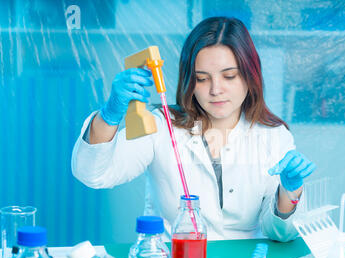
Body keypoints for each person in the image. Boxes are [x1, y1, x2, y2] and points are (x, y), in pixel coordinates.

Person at [71, 17, 316, 242]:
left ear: (250, 76)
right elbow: (93, 175)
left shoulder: (273, 136)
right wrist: (109, 115)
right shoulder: (161, 126)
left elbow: (280, 234)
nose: (215, 89)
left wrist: (289, 191)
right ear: (190, 80)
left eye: (229, 76)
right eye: (202, 78)